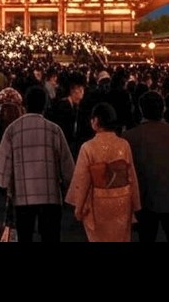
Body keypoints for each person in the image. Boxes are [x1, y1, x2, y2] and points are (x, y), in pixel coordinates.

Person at [0, 85, 75, 243]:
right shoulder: (54, 130)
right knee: (51, 236)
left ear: (24, 105)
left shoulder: (13, 130)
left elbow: (2, 167)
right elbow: (67, 166)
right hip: (50, 195)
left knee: (25, 236)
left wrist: (3, 183)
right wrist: (70, 188)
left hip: (23, 196)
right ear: (45, 105)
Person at [65, 103, 140, 242]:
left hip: (99, 201)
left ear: (96, 121)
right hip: (122, 200)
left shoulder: (88, 147)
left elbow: (83, 180)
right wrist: (135, 203)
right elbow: (131, 176)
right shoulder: (123, 144)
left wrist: (79, 207)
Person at [122, 90, 169, 242]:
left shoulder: (129, 137)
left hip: (144, 198)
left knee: (146, 236)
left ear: (141, 109)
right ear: (163, 109)